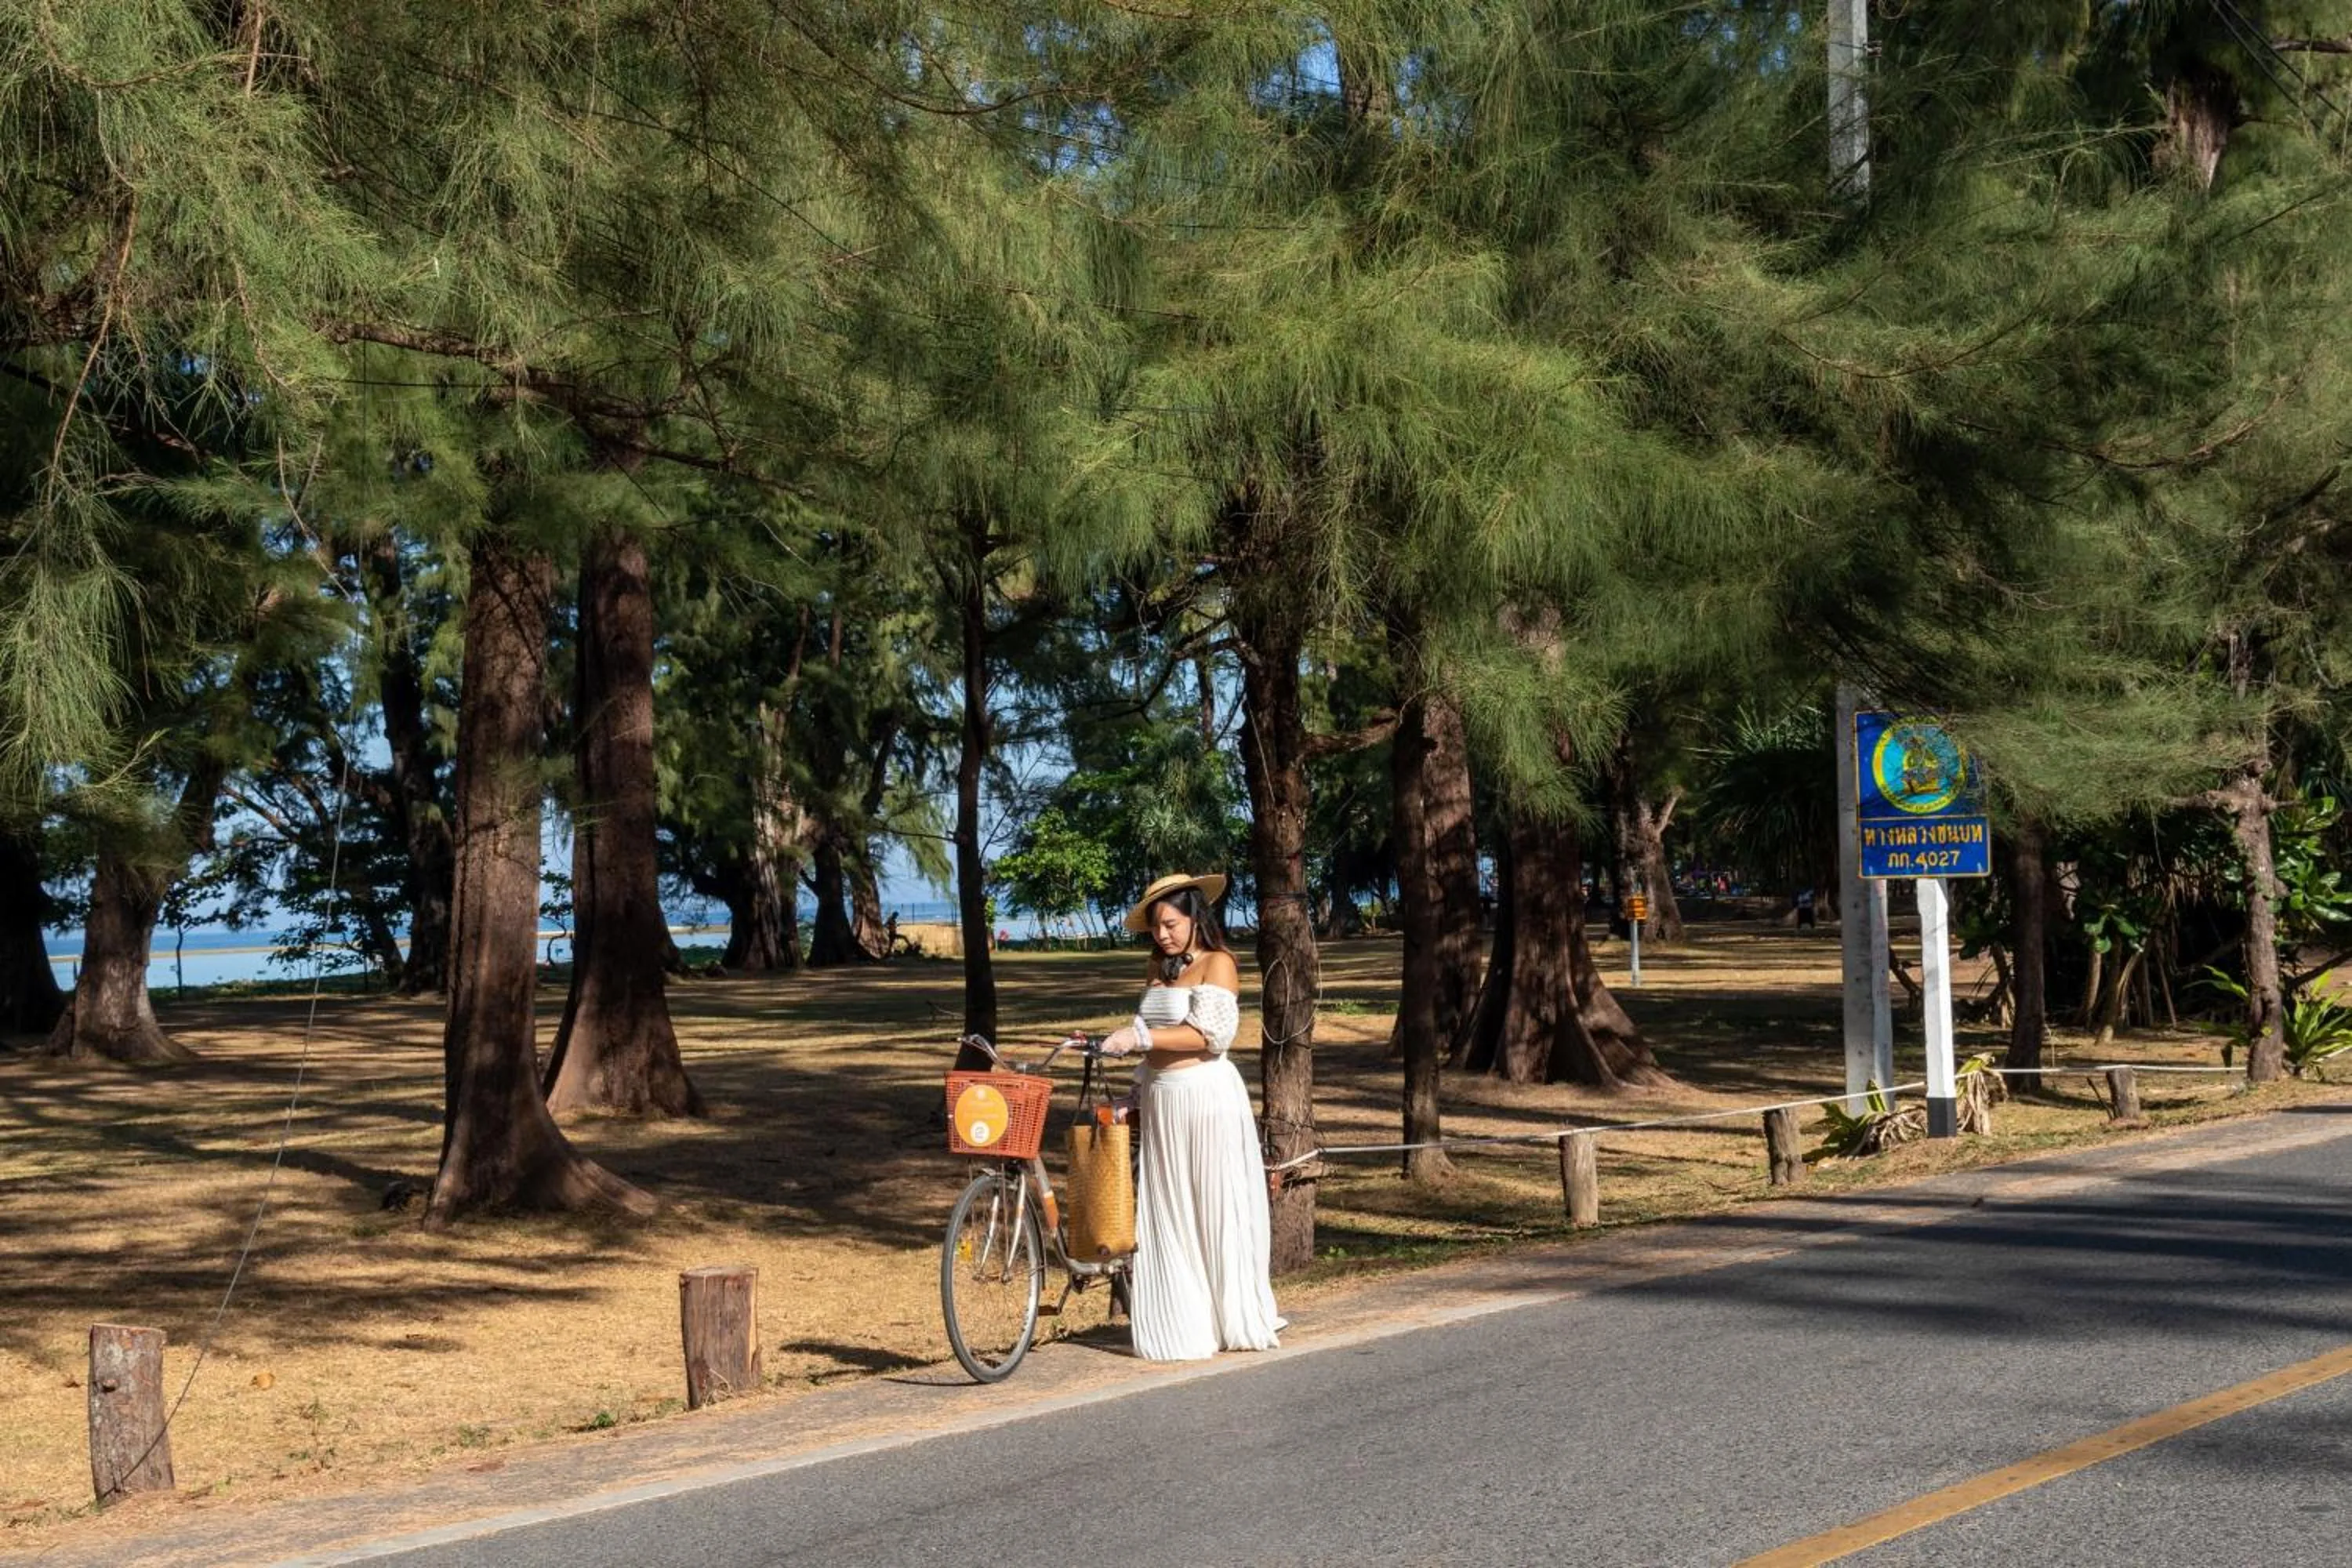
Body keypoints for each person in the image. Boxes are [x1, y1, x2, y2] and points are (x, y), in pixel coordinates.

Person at [1098, 871, 1285, 1361]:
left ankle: (1233, 1313)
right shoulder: (1156, 968)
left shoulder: (1217, 964)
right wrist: (1133, 1095)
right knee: (1171, 1206)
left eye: (1170, 924)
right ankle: (1187, 1322)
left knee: (1214, 1202)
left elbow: (1209, 1037)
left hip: (1204, 1097)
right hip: (1162, 1099)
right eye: (1156, 928)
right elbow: (1152, 1037)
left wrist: (1139, 1038)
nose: (1162, 935)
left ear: (1194, 917)